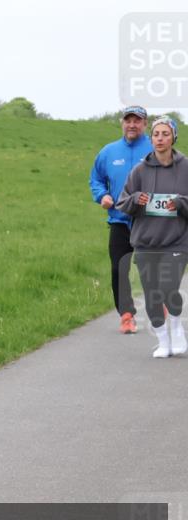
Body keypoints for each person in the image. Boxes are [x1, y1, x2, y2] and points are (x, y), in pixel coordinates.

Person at [116, 116, 188, 358]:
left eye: (165, 134)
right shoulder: (139, 171)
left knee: (168, 288)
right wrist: (136, 199)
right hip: (146, 242)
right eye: (156, 134)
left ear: (173, 137)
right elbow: (123, 203)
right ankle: (163, 341)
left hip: (177, 241)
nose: (160, 138)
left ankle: (176, 326)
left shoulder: (186, 168)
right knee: (151, 294)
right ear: (151, 138)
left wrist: (180, 203)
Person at [89, 106, 152, 334]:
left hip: (148, 221)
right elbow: (96, 179)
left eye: (137, 121)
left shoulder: (155, 149)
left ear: (145, 124)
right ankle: (126, 315)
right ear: (122, 123)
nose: (132, 125)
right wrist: (102, 196)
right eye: (128, 120)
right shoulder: (109, 152)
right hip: (119, 220)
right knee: (118, 269)